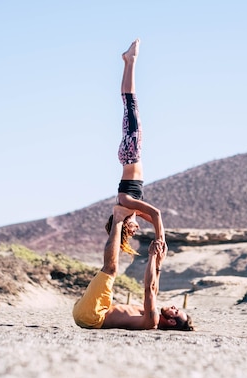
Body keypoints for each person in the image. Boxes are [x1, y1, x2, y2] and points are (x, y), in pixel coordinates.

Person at [74, 204, 193, 331]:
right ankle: (123, 220)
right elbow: (154, 289)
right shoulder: (152, 314)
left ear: (171, 322)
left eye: (176, 312)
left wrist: (152, 256)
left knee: (111, 269)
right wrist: (158, 263)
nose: (174, 307)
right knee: (111, 269)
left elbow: (149, 290)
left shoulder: (152, 321)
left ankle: (118, 218)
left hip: (93, 316)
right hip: (92, 313)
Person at [105, 38, 164, 256]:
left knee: (130, 103)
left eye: (132, 230)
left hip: (131, 153)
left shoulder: (125, 201)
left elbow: (156, 214)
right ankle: (130, 61)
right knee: (130, 105)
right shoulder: (132, 208)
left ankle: (130, 61)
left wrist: (161, 241)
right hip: (130, 154)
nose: (137, 228)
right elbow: (157, 217)